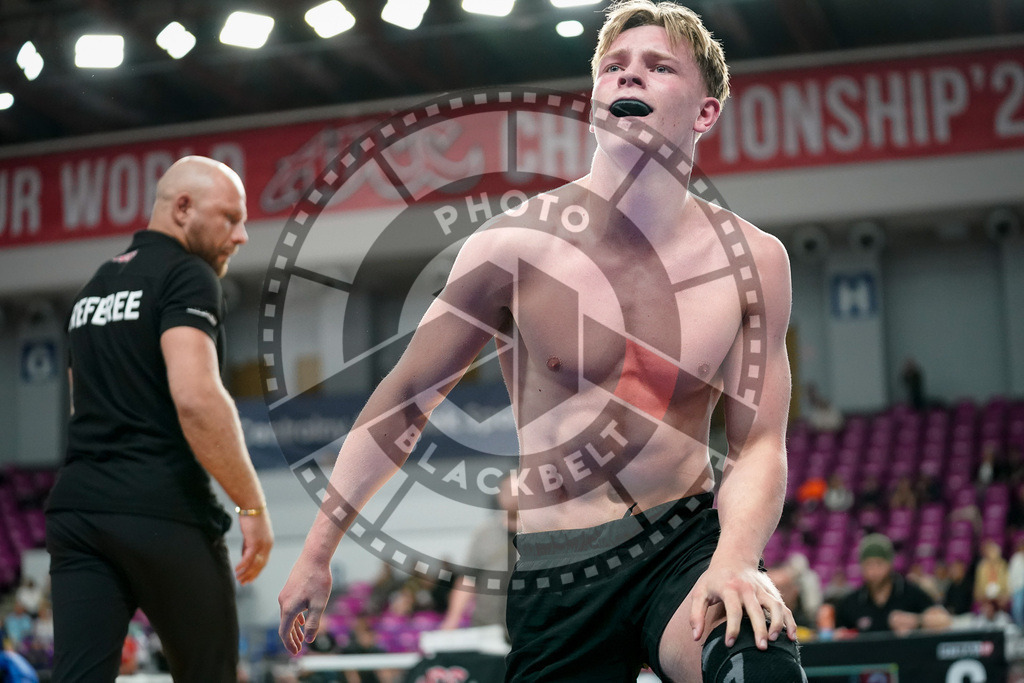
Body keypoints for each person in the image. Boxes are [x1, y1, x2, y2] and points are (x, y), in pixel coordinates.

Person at [278, 2, 804, 681]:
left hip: (685, 545)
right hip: (562, 563)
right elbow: (404, 398)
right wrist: (318, 550)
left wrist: (734, 561)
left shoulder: (753, 260)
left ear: (705, 112)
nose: (628, 76)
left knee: (757, 660)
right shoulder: (513, 246)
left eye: (658, 66)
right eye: (613, 66)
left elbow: (758, 442)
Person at [45, 155, 274, 681]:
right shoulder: (188, 275)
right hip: (160, 507)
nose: (241, 236)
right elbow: (196, 397)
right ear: (183, 208)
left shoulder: (94, 287)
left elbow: (82, 403)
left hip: (78, 512)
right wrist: (252, 505)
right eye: (230, 218)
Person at [440, 475, 518, 635]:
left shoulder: (541, 532)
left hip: (529, 626)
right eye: (508, 491)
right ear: (499, 495)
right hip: (487, 626)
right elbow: (468, 578)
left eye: (519, 491)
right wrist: (453, 618)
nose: (513, 496)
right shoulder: (484, 533)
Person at [834, 534, 951, 635]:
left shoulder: (909, 592)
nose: (873, 570)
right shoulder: (851, 602)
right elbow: (837, 633)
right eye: (868, 564)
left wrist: (916, 620)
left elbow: (944, 620)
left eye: (879, 563)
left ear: (890, 563)